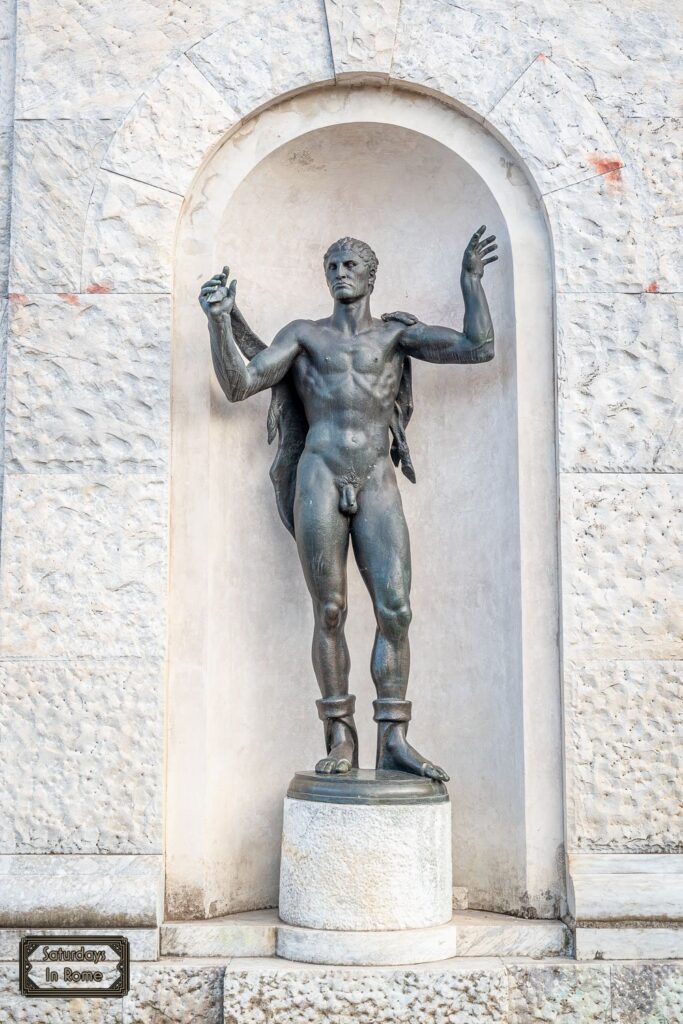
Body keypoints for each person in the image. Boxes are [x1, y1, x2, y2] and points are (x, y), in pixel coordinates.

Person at [199, 227, 498, 781]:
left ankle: (394, 739)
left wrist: (471, 282)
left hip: (377, 476)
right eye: (332, 264)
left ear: (370, 276)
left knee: (396, 608)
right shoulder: (304, 336)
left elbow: (477, 347)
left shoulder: (394, 337)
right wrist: (220, 320)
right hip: (319, 470)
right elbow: (240, 384)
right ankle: (340, 735)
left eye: (350, 264)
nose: (340, 271)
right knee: (330, 609)